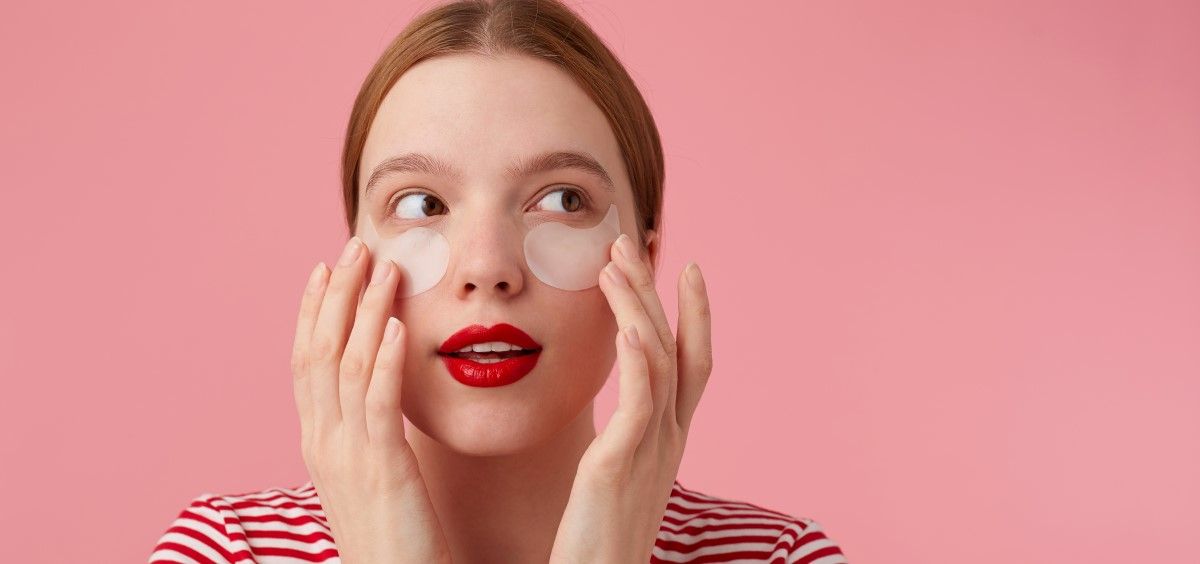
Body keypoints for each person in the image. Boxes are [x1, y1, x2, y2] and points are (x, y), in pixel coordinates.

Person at [149, 0, 848, 562]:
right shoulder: (225, 552)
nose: (487, 268)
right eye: (421, 204)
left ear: (643, 260)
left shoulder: (779, 557)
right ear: (353, 268)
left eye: (563, 200)